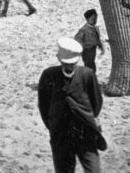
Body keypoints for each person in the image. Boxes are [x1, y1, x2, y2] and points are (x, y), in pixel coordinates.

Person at [38, 38, 105, 173]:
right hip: (61, 135)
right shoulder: (49, 75)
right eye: (66, 63)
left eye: (73, 63)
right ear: (59, 59)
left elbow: (96, 102)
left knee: (94, 169)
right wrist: (53, 126)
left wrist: (89, 117)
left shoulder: (87, 74)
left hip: (85, 132)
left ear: (78, 59)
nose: (69, 66)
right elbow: (44, 105)